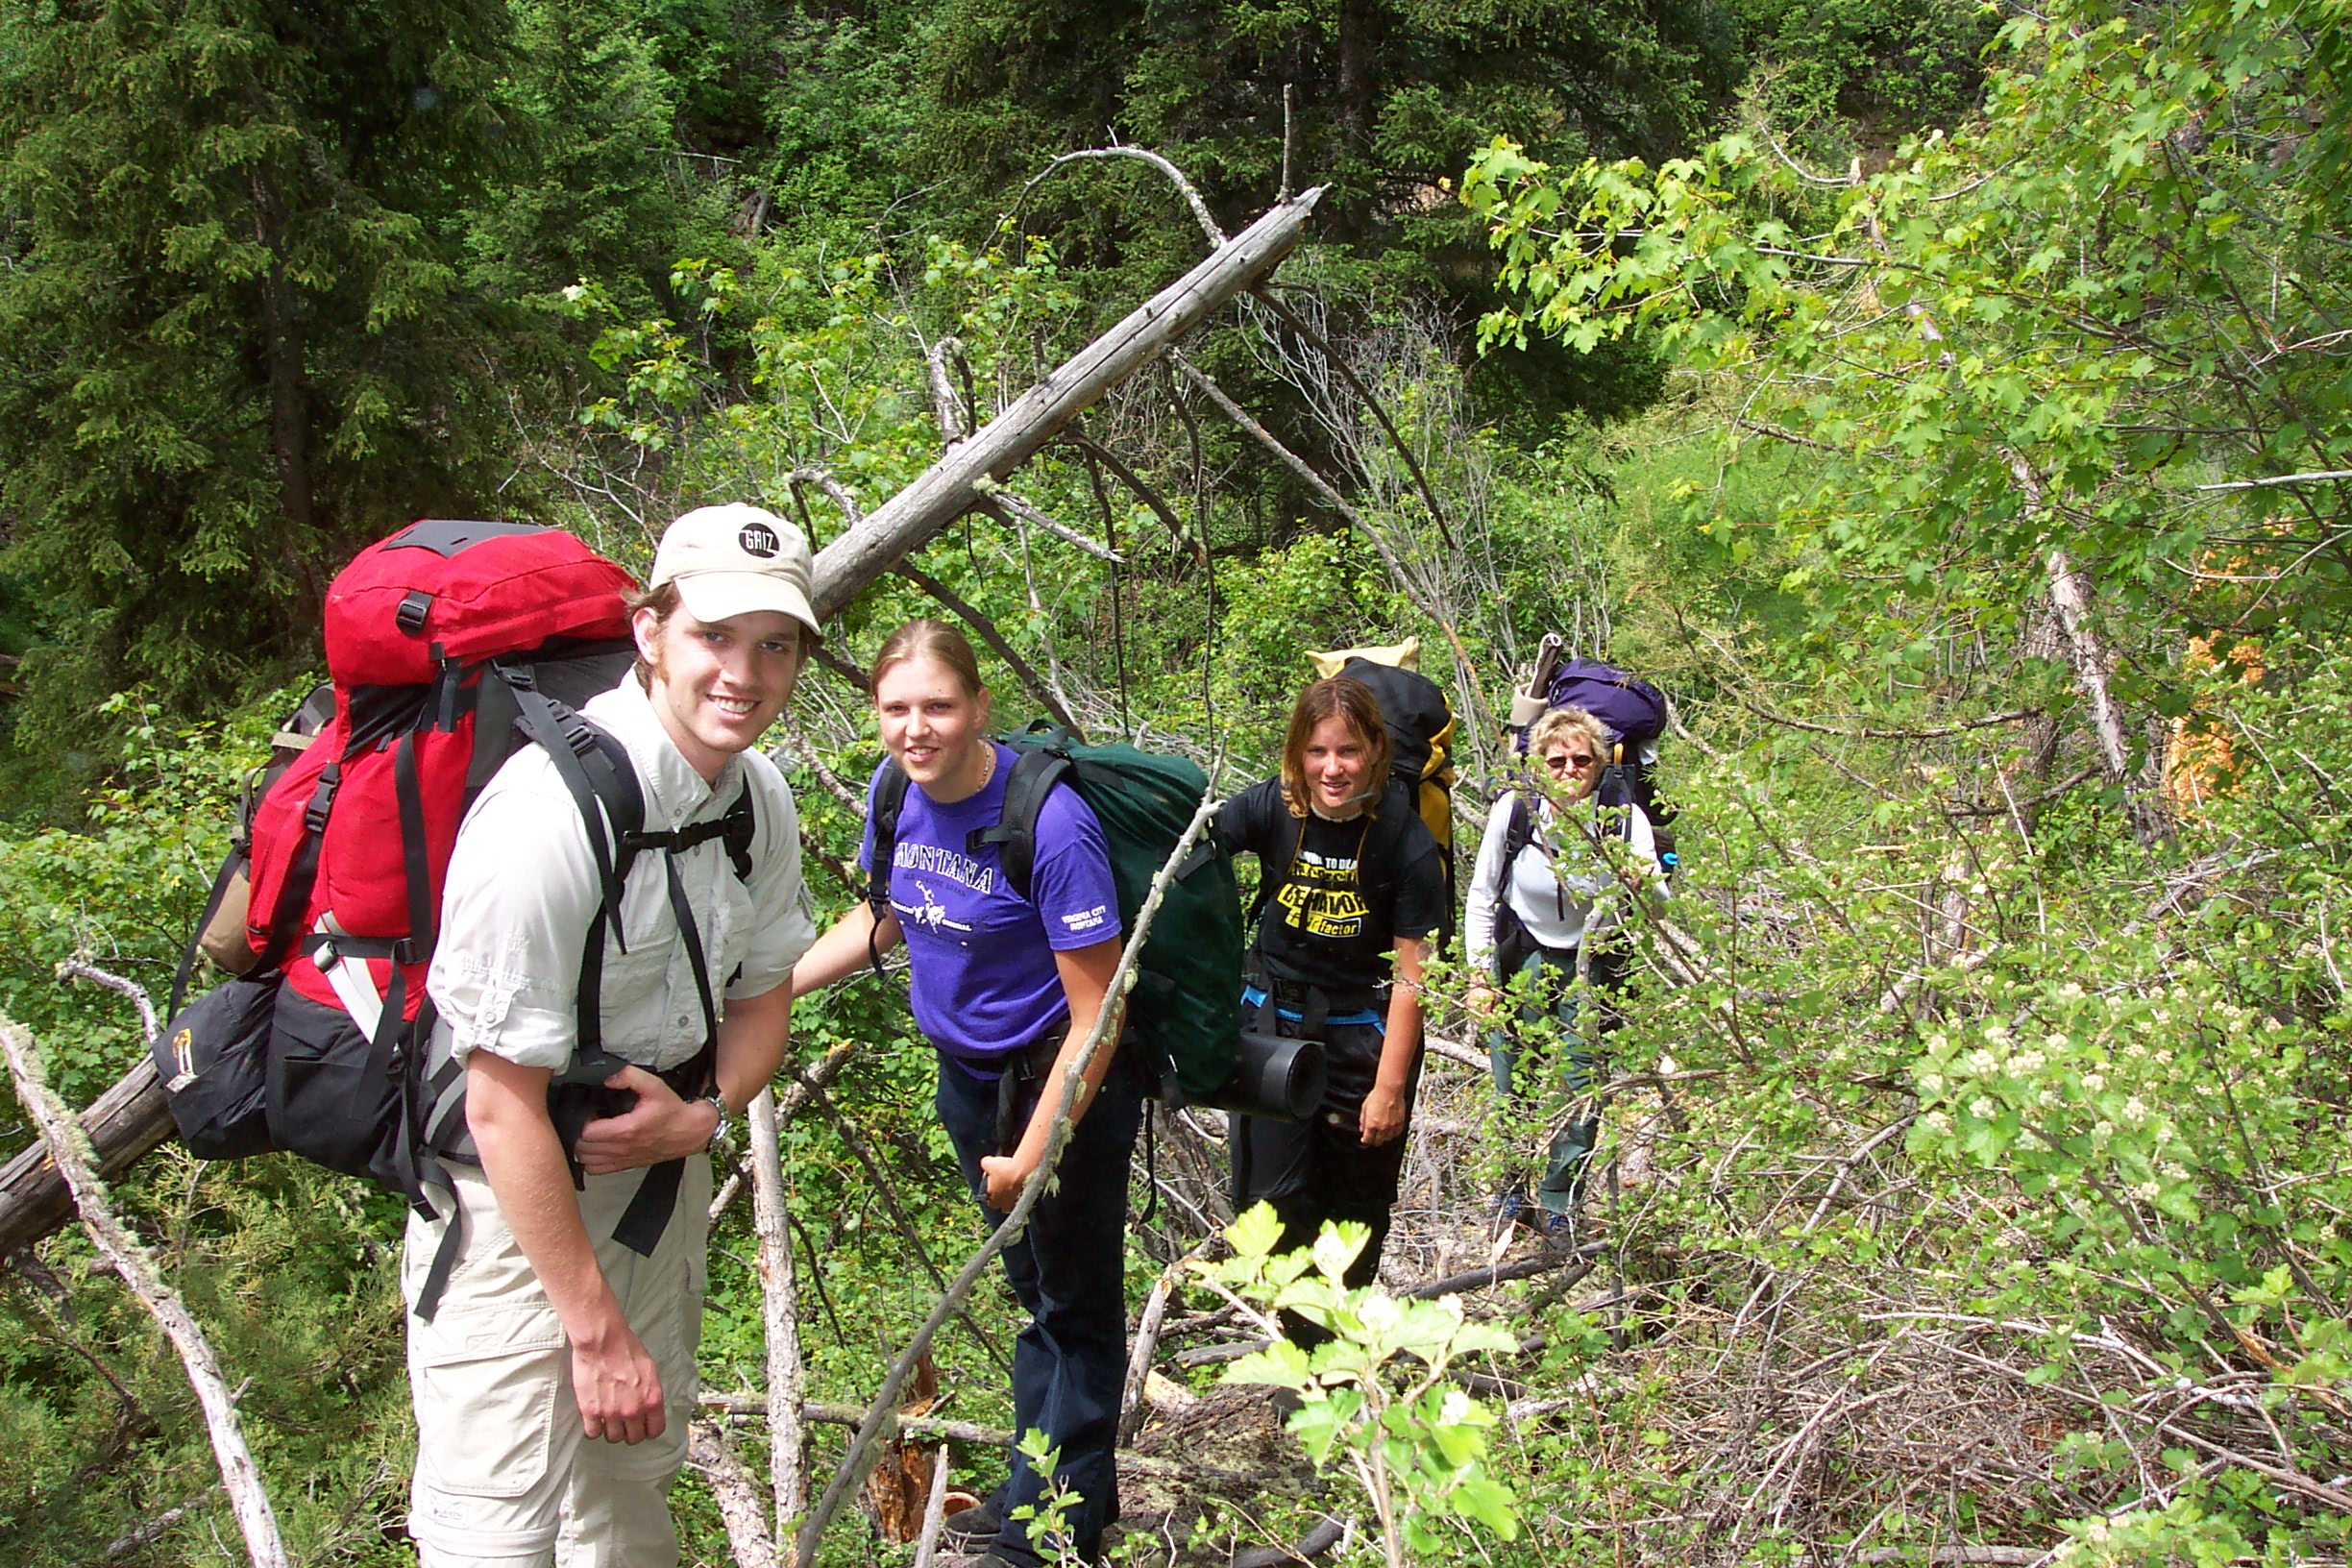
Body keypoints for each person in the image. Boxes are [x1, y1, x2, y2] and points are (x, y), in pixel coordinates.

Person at [404, 503, 820, 1568]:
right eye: (715, 637)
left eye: (775, 646)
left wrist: (704, 1117)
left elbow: (764, 992)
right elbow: (497, 1102)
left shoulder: (754, 796)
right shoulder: (547, 815)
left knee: (630, 1501)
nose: (746, 674)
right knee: (492, 1538)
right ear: (649, 633)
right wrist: (590, 1332)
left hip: (654, 1192)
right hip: (511, 1218)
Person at [789, 620, 1137, 1568]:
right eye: (896, 708)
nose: (916, 727)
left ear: (979, 707)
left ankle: (1042, 1540)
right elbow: (889, 918)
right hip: (966, 1083)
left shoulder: (1051, 825)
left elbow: (1096, 1014)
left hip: (1057, 1089)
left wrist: (1035, 1152)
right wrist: (772, 989)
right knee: (1039, 1300)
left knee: (1075, 1312)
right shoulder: (895, 791)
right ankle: (1053, 1502)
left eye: (938, 706)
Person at [1218, 675, 1447, 1330]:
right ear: (1297, 754)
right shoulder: (1273, 806)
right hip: (1272, 1025)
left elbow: (1412, 975)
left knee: (1353, 1219)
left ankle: (1341, 1367)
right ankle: (1297, 1368)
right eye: (1318, 752)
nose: (1333, 768)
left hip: (1360, 1038)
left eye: (1347, 751)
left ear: (1375, 749)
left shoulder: (1404, 841)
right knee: (1271, 1204)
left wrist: (1390, 1088)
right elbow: (1192, 856)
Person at [1463, 704, 1664, 1237]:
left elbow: (1662, 906)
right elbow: (1483, 895)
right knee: (1514, 1079)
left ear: (1600, 763)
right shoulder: (1516, 810)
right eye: (1556, 761)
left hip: (1592, 962)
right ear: (1538, 765)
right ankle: (1510, 1189)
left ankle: (1560, 1197)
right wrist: (1479, 976)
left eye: (1581, 759)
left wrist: (1643, 880)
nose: (1569, 770)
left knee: (1583, 1084)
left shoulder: (1624, 819)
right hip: (1523, 953)